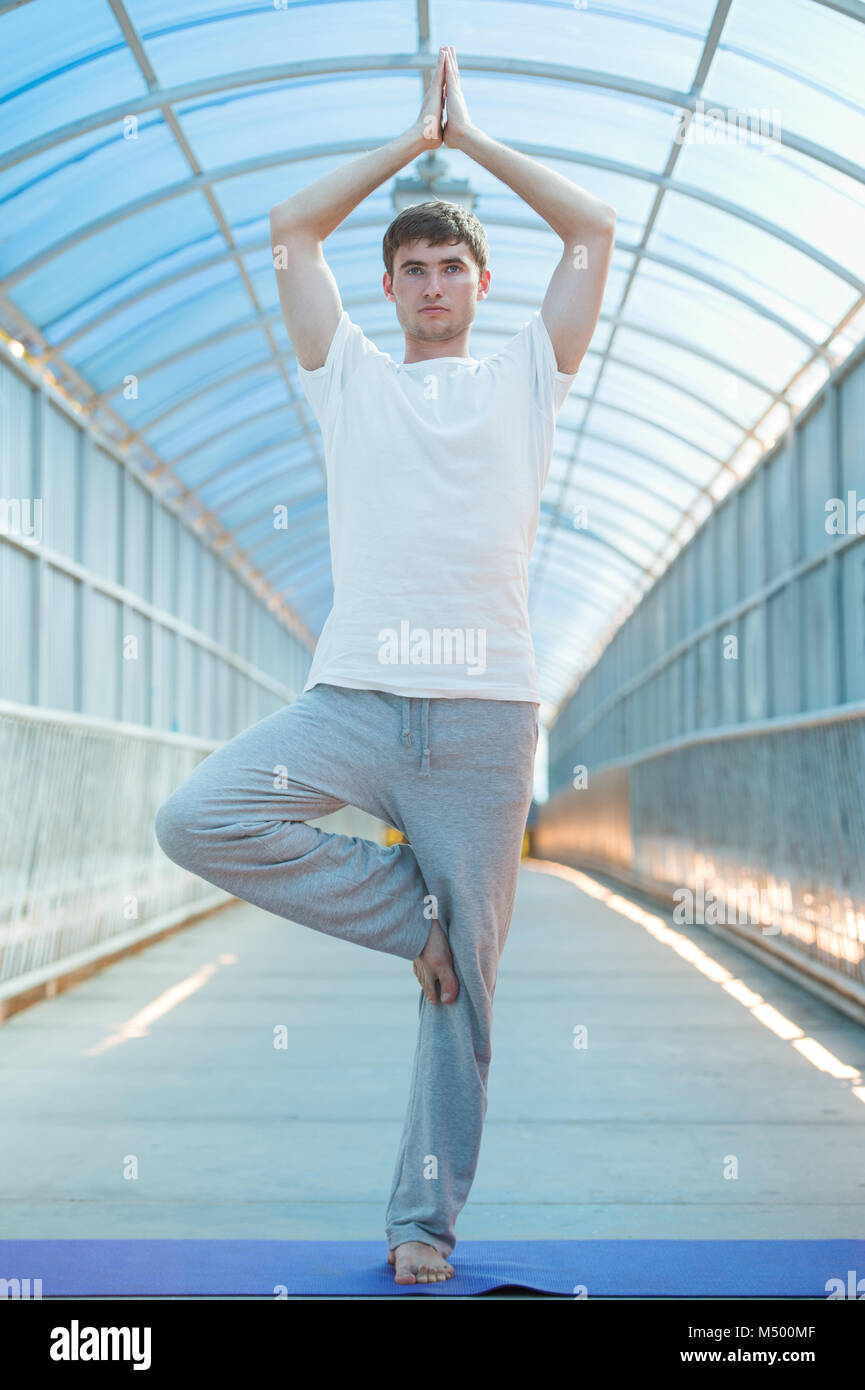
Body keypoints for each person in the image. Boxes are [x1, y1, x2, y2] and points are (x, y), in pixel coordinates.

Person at [154, 45, 615, 1286]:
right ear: (389, 286)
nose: (427, 283)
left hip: (484, 721)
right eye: (408, 268)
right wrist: (414, 145)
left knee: (461, 994)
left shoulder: (527, 376)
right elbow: (288, 226)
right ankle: (415, 912)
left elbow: (595, 227)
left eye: (447, 265)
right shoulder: (345, 376)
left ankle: (423, 1227)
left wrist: (474, 148)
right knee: (197, 816)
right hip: (353, 698)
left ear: (477, 281)